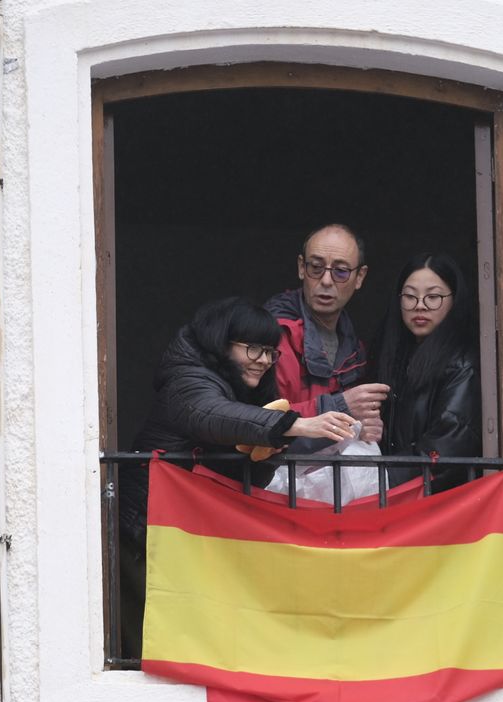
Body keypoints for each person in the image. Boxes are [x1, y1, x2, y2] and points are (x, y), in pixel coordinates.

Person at [117, 296, 357, 657]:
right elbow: (212, 415)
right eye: (253, 349)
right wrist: (296, 424)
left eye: (270, 352)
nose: (263, 360)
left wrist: (266, 455)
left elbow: (244, 476)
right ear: (221, 342)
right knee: (153, 642)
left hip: (186, 536)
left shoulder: (244, 389)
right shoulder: (187, 381)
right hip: (145, 532)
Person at [265, 224, 390, 448]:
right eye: (316, 267)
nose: (326, 281)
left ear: (360, 277)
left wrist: (364, 426)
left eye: (340, 271)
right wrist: (341, 406)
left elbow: (351, 420)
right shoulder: (273, 334)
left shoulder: (354, 347)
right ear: (301, 268)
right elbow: (260, 420)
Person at [373, 252, 481, 490]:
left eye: (433, 297)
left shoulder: (463, 363)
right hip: (402, 497)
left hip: (436, 503)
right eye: (410, 296)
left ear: (455, 300)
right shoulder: (394, 355)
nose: (419, 305)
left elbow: (448, 445)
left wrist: (375, 481)